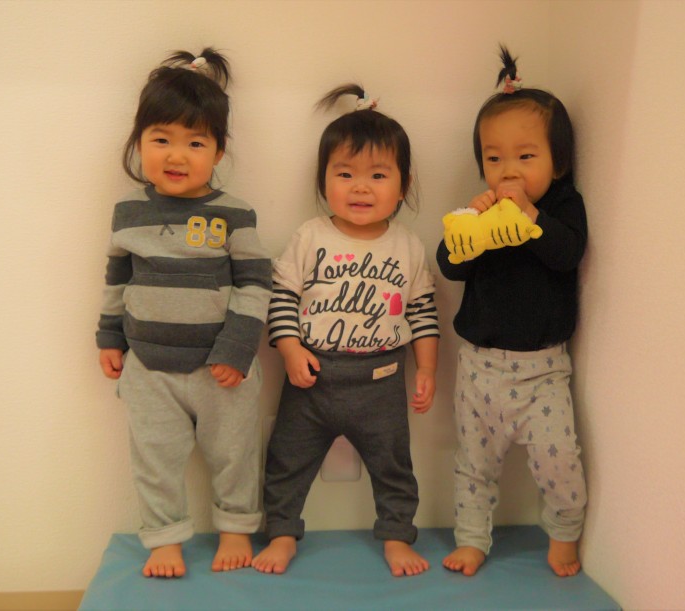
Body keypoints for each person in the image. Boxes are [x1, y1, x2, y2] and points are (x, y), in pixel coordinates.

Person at [95, 48, 272, 578]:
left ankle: (236, 527)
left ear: (218, 151)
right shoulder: (129, 212)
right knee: (155, 458)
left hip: (223, 370)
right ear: (139, 142)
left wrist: (236, 349)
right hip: (150, 369)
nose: (177, 156)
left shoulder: (234, 213)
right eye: (161, 139)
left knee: (234, 452)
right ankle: (164, 539)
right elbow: (117, 279)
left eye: (195, 143)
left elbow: (255, 283)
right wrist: (109, 337)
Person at [252, 85, 439, 577]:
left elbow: (423, 312)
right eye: (345, 174)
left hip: (381, 382)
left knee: (393, 465)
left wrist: (427, 369)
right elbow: (282, 297)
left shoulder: (408, 246)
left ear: (403, 184)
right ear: (324, 180)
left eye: (378, 175)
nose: (360, 188)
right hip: (312, 379)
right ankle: (282, 533)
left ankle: (397, 536)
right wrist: (290, 349)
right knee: (286, 460)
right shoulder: (310, 236)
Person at [438, 46, 588, 578]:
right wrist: (471, 227)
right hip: (479, 366)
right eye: (494, 158)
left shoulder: (562, 207)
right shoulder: (480, 210)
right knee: (473, 465)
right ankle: (472, 539)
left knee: (559, 459)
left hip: (542, 371)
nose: (508, 171)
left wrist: (529, 215)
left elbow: (568, 253)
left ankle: (564, 532)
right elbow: (450, 265)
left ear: (558, 162)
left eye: (526, 157)